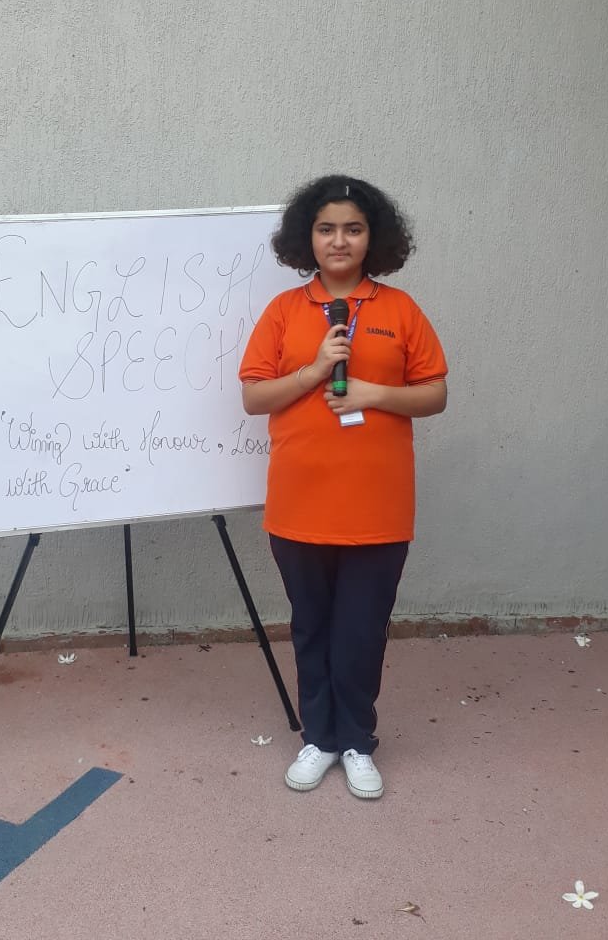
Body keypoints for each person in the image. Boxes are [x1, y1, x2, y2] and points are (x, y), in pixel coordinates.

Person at [238, 174, 448, 799]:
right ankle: (320, 738)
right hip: (299, 505)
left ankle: (356, 740)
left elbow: (435, 393)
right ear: (307, 237)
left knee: (360, 631)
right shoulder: (283, 311)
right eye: (326, 228)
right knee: (311, 626)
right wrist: (313, 373)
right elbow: (254, 396)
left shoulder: (400, 309)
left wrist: (372, 394)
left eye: (353, 229)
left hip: (378, 508)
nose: (339, 241)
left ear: (371, 238)